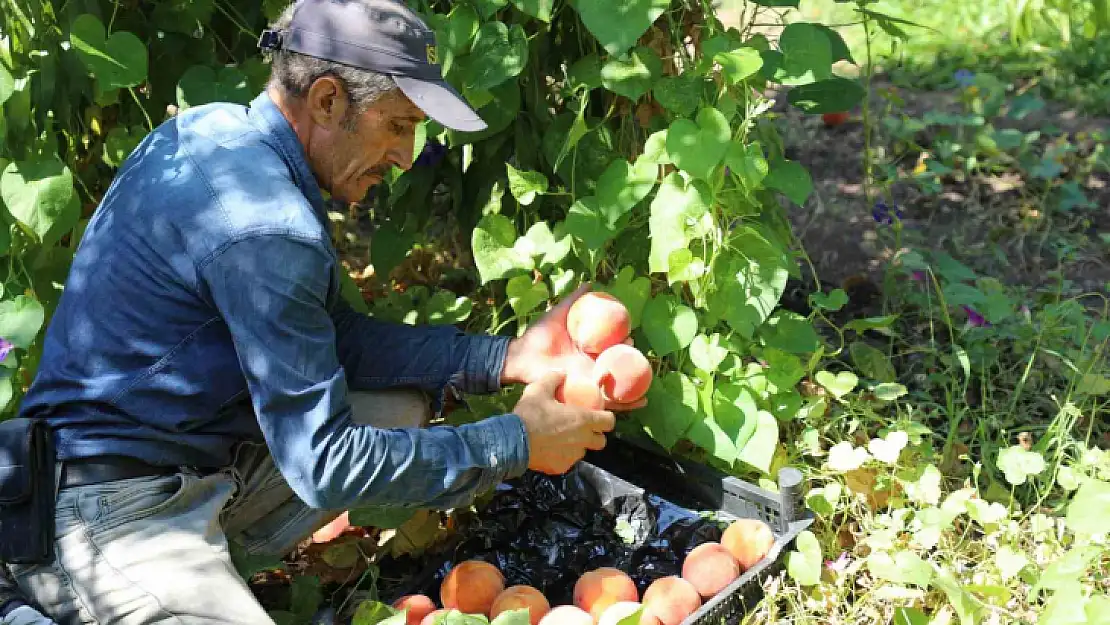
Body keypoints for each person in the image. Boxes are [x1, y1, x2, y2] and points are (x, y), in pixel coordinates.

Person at [0, 0, 644, 623]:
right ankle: (52, 598)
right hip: (103, 506)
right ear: (329, 100)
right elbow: (325, 464)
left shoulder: (215, 132)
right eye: (398, 125)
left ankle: (186, 575)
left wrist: (502, 358)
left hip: (174, 455)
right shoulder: (264, 228)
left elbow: (328, 337)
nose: (405, 155)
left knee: (400, 414)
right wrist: (515, 441)